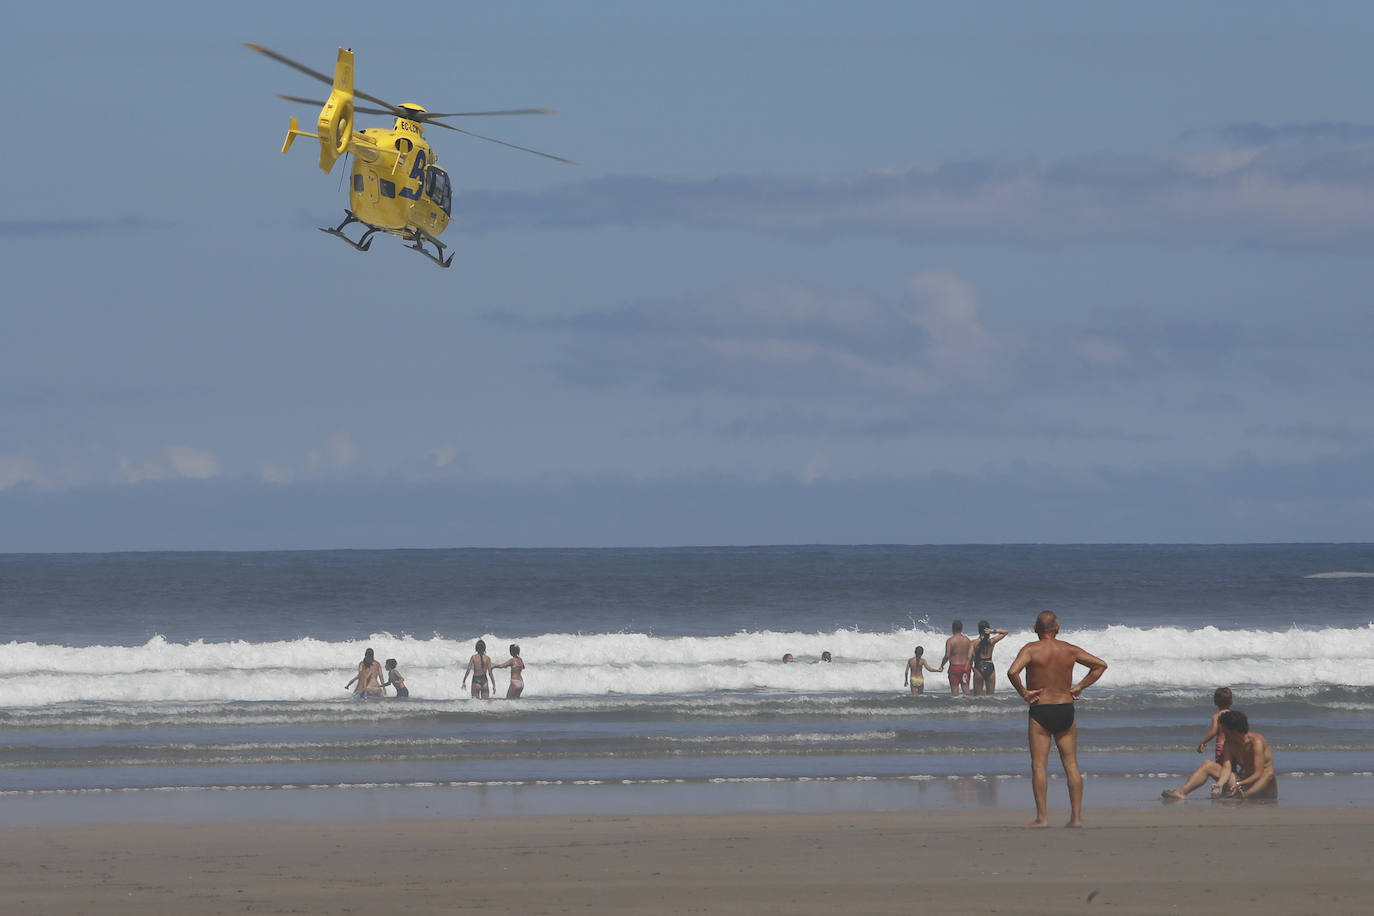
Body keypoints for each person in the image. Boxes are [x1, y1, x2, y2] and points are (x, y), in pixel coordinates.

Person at [1006, 610, 1109, 828]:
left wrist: (1024, 693)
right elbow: (1100, 665)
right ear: (1057, 628)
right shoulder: (1069, 650)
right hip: (1065, 709)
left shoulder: (1031, 649)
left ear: (1036, 628)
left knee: (1038, 766)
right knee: (1071, 763)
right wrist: (1080, 686)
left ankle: (1042, 818)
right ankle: (1076, 818)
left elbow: (1012, 672)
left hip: (1041, 711)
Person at [1162, 709, 1277, 801]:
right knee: (1207, 764)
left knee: (1269, 773)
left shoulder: (1256, 742)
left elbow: (1258, 773)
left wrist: (1239, 783)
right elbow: (1227, 767)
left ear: (1234, 730)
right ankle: (1181, 793)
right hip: (1242, 782)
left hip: (1261, 786)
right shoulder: (1229, 743)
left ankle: (1245, 795)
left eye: (1224, 730)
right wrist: (1220, 784)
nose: (1222, 733)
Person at [969, 620, 1010, 695]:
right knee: (991, 696)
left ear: (979, 630)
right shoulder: (991, 641)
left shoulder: (973, 642)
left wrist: (968, 669)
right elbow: (1005, 632)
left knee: (977, 697)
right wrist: (993, 631)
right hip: (990, 666)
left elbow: (969, 658)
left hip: (978, 666)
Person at [1196, 687, 1234, 765]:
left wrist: (1202, 742)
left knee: (1221, 768)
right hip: (1233, 745)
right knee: (1231, 767)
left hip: (1221, 746)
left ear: (1215, 702)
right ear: (1231, 701)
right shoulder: (1234, 715)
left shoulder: (1216, 716)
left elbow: (1213, 732)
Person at [940, 620, 973, 695]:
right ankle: (969, 706)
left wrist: (942, 665)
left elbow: (947, 655)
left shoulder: (950, 641)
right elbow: (971, 655)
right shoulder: (967, 640)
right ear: (961, 629)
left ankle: (956, 706)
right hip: (966, 667)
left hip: (955, 667)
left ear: (952, 629)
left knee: (955, 692)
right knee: (966, 688)